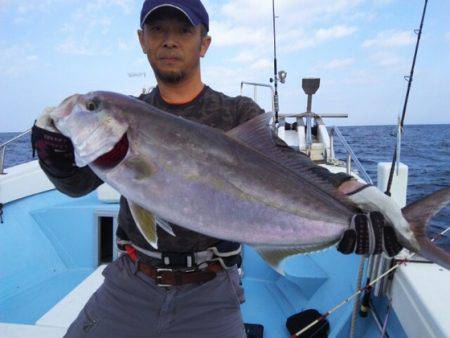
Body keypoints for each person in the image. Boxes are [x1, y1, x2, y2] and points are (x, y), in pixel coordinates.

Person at [31, 1, 404, 337]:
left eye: (183, 30)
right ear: (142, 40)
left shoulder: (236, 114)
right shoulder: (134, 112)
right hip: (131, 280)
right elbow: (76, 185)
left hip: (211, 291)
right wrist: (52, 151)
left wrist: (353, 193)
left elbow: (288, 164)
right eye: (158, 30)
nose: (169, 41)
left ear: (204, 42)